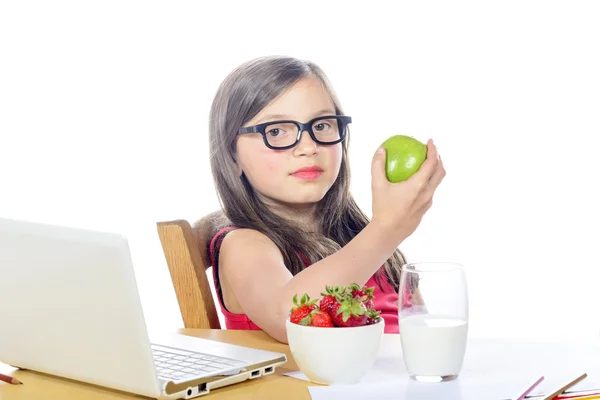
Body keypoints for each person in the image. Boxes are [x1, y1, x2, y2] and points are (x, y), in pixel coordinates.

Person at [206, 56, 445, 343]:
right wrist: (387, 230)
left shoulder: (358, 238)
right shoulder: (244, 244)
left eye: (321, 126)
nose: (308, 147)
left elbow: (422, 336)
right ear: (232, 157)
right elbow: (289, 316)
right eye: (276, 131)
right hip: (306, 389)